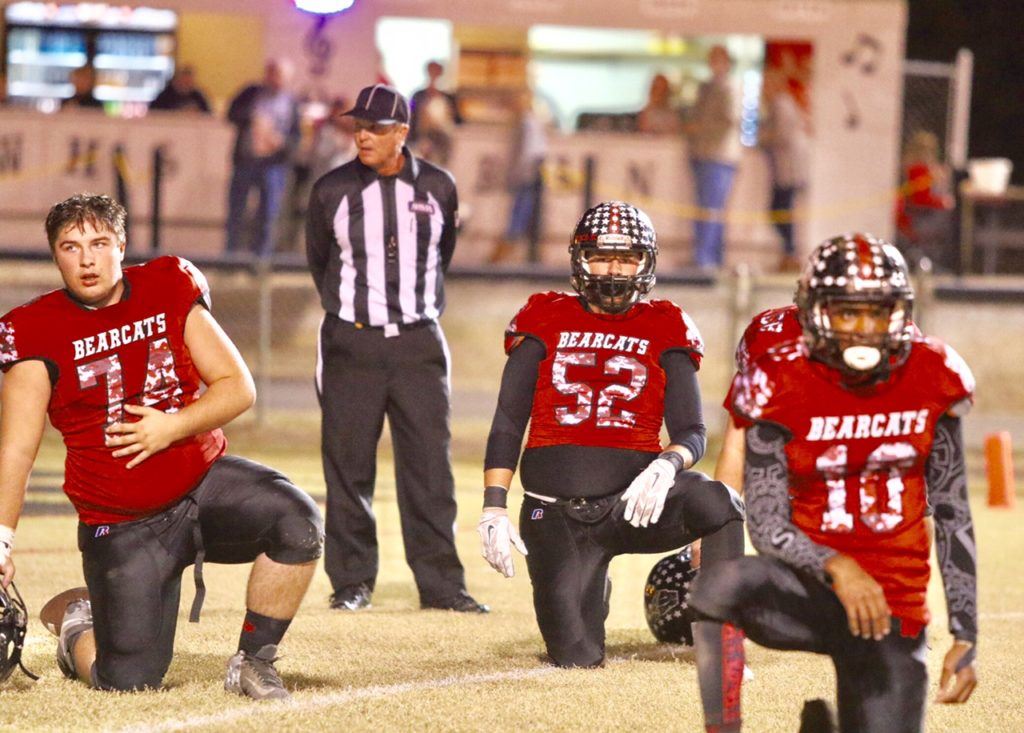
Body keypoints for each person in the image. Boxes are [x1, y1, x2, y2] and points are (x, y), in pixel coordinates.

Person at [0, 194, 323, 699]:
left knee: (298, 523)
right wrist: (1, 539)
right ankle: (74, 623)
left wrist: (172, 427)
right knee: (127, 680)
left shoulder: (168, 284)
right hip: (122, 521)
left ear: (121, 245)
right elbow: (16, 449)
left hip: (202, 485)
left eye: (99, 243)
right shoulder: (34, 329)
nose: (86, 259)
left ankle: (254, 662)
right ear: (55, 254)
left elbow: (237, 387)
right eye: (71, 247)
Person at [690, 233, 979, 732]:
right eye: (847, 313)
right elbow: (765, 522)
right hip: (809, 584)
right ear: (816, 313)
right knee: (720, 582)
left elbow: (952, 512)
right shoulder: (779, 375)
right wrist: (838, 567)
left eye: (877, 312)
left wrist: (965, 631)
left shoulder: (933, 371)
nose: (864, 330)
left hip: (890, 602)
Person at [478, 200, 746, 732]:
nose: (614, 270)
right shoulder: (543, 315)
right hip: (556, 514)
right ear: (580, 259)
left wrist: (668, 465)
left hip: (636, 503)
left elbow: (694, 430)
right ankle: (588, 578)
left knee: (719, 501)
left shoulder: (665, 322)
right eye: (602, 257)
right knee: (575, 657)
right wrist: (492, 507)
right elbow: (509, 421)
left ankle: (722, 641)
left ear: (645, 263)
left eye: (626, 259)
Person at [306, 84, 486, 614]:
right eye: (358, 126)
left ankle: (442, 585)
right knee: (348, 466)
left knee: (430, 468)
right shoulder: (331, 190)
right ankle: (353, 581)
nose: (363, 135)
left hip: (416, 342)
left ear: (402, 133)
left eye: (376, 128)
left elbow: (441, 255)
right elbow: (320, 262)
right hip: (351, 341)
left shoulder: (437, 185)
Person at [225, 59, 300, 257]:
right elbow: (231, 114)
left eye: (280, 76)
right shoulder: (251, 93)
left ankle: (260, 261)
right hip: (246, 160)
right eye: (272, 74)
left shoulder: (291, 103)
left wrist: (282, 143)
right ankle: (230, 258)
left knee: (267, 214)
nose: (275, 79)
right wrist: (252, 118)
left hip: (273, 165)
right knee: (236, 211)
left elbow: (296, 136)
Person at [684, 45, 741, 270]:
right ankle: (707, 257)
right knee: (705, 208)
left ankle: (706, 259)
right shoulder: (706, 87)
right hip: (702, 153)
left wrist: (700, 128)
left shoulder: (731, 87)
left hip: (719, 156)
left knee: (712, 209)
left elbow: (729, 121)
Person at [759, 67, 810, 272]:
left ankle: (791, 254)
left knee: (780, 212)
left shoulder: (781, 104)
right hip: (785, 169)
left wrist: (763, 139)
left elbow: (782, 135)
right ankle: (788, 253)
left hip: (788, 170)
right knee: (781, 211)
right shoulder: (781, 104)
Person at [488, 90, 547, 263]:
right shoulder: (531, 121)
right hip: (530, 171)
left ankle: (507, 247)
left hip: (527, 172)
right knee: (526, 212)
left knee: (520, 211)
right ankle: (524, 251)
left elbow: (530, 151)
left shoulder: (526, 123)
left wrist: (518, 172)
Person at [896, 130, 955, 270]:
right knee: (952, 223)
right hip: (916, 219)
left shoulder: (931, 169)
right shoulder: (917, 168)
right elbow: (919, 200)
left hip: (920, 216)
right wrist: (943, 202)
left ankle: (931, 261)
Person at [409, 61, 462, 167]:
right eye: (431, 71)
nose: (434, 74)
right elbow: (410, 112)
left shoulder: (449, 98)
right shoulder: (417, 96)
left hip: (443, 141)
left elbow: (458, 119)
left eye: (436, 71)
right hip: (422, 140)